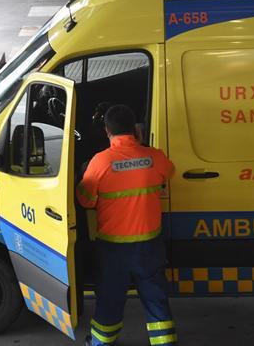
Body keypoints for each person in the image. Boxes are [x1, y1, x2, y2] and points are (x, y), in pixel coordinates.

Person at [76, 104, 177, 346]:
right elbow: (169, 173)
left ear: (106, 131)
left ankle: (101, 343)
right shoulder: (155, 157)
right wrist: (142, 146)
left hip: (114, 249)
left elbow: (85, 200)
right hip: (150, 246)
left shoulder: (100, 162)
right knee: (155, 298)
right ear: (136, 129)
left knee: (110, 299)